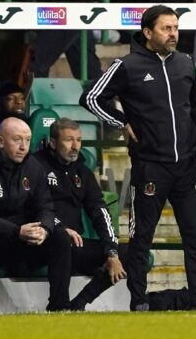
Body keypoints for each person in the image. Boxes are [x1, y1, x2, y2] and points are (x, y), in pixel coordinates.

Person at [81, 5, 196, 311]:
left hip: (187, 166)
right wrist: (121, 122)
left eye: (175, 27)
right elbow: (91, 97)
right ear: (148, 33)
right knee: (141, 237)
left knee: (195, 236)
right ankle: (139, 301)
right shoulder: (127, 65)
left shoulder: (185, 63)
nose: (174, 34)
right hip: (149, 167)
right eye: (166, 28)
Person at [0, 117, 72, 313]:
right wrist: (15, 230)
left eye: (27, 140)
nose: (23, 146)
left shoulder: (33, 167)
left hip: (18, 241)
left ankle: (60, 307)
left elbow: (46, 206)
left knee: (60, 236)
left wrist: (44, 228)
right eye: (17, 140)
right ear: (1, 142)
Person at [33, 118, 127, 311]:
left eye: (79, 140)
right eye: (69, 140)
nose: (75, 146)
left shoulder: (82, 171)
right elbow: (33, 206)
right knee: (60, 238)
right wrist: (60, 227)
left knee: (133, 253)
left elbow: (99, 210)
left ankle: (81, 302)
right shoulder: (35, 166)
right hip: (44, 243)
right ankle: (59, 307)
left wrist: (111, 251)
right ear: (53, 142)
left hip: (76, 245)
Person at [30, 0, 103, 81]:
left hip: (73, 1)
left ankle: (27, 97)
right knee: (87, 68)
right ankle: (107, 97)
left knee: (35, 62)